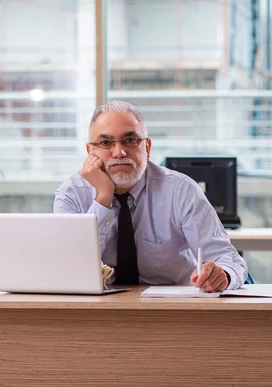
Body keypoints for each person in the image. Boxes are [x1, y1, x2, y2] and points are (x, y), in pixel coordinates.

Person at [54, 100, 248, 292]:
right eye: (105, 143)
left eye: (130, 140)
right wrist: (103, 197)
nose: (119, 152)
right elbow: (68, 267)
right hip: (95, 311)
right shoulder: (71, 194)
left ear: (147, 148)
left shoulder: (181, 190)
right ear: (90, 151)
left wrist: (223, 275)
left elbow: (227, 258)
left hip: (173, 312)